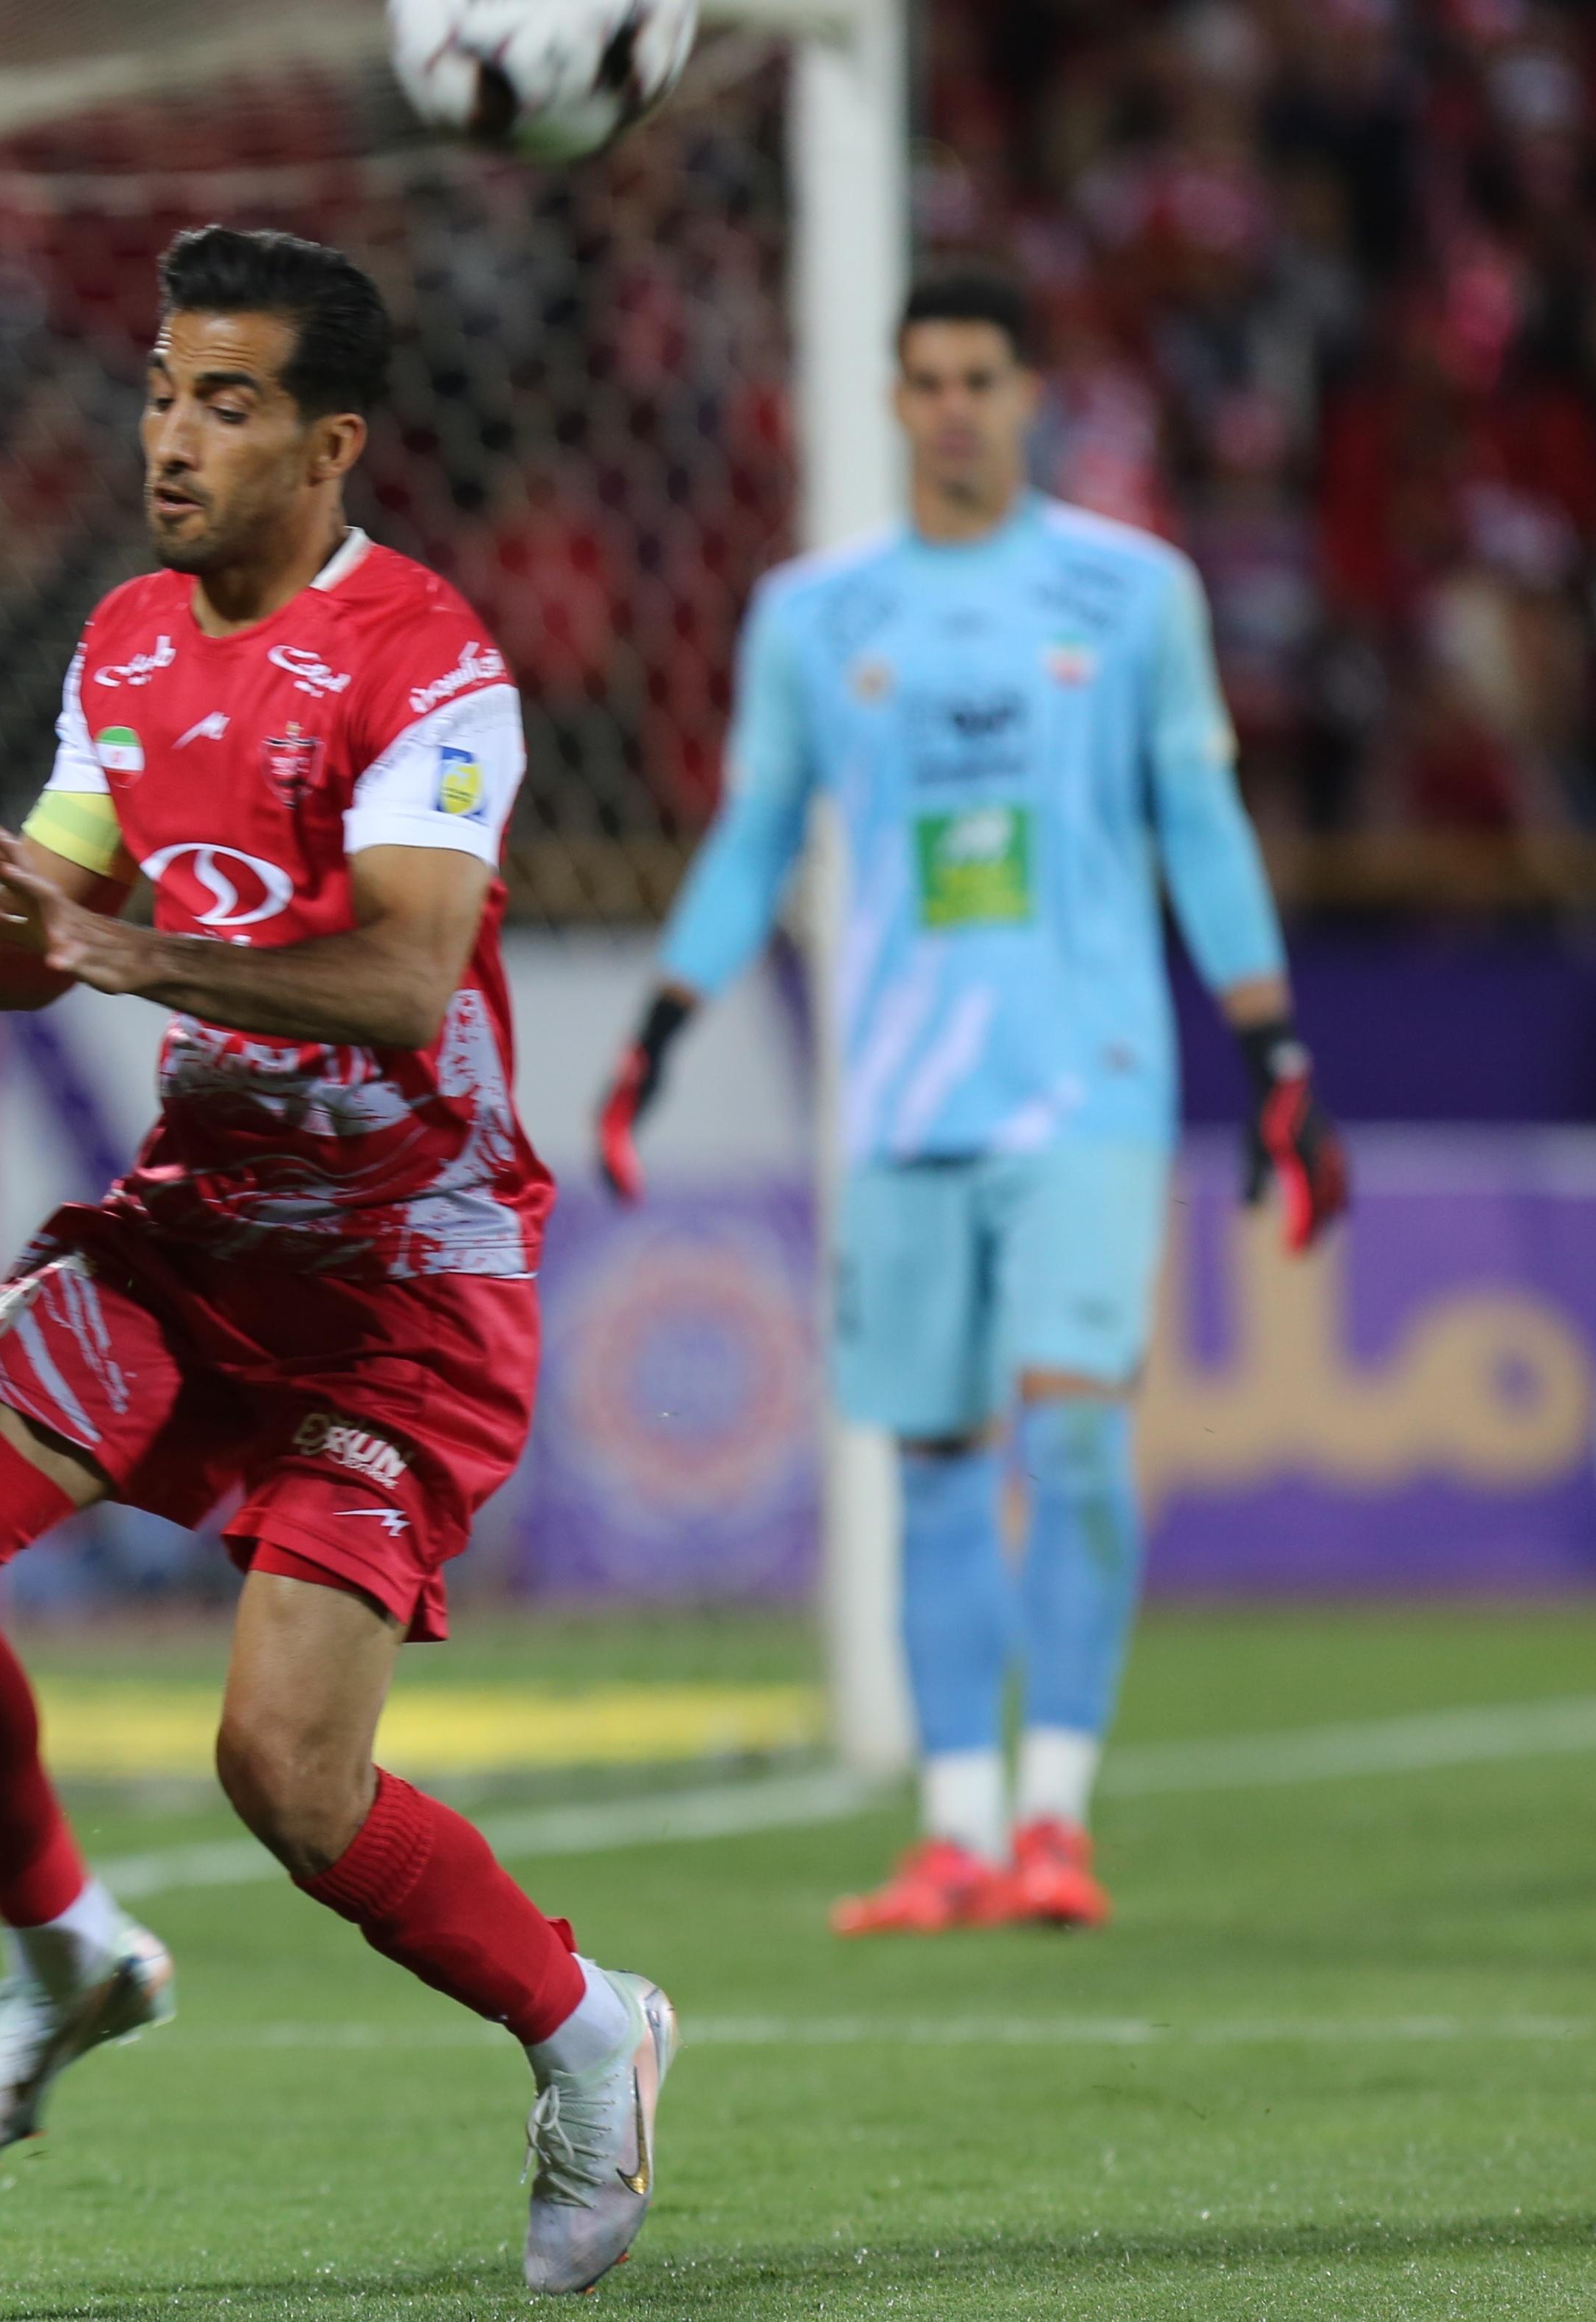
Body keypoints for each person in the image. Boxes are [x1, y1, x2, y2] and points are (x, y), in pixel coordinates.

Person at [0, 227, 675, 2297]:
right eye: (162, 390)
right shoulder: (127, 643)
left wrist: (135, 951)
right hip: (194, 1234)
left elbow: (407, 978)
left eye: (225, 403)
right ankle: (61, 1949)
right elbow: (29, 942)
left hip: (404, 1283)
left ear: (329, 445)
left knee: (283, 1773)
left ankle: (584, 2026)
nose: (171, 435)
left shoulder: (430, 662)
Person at [596, 272, 1350, 1938]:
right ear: (891, 400)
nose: (952, 406)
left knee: (1071, 1431)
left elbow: (1200, 824)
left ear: (1027, 397)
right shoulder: (815, 613)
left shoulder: (1128, 592)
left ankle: (1053, 1817)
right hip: (898, 1105)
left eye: (979, 378)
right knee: (934, 1465)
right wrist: (658, 1028)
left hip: (1087, 1086)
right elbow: (753, 836)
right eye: (925, 379)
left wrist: (1275, 1055)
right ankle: (953, 1834)